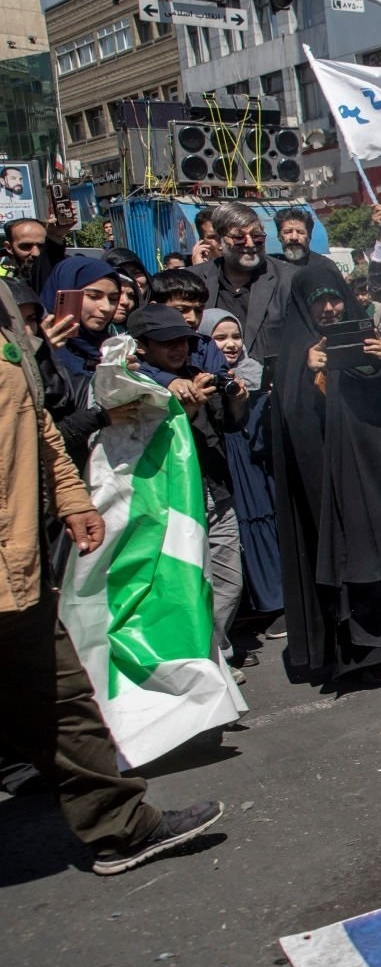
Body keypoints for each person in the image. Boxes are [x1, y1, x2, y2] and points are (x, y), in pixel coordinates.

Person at [0, 278, 226, 874]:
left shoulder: (4, 320)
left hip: (15, 565)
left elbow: (36, 420)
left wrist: (72, 498)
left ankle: (120, 826)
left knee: (62, 696)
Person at [270, 256, 381, 685]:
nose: (330, 309)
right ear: (303, 307)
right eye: (319, 303)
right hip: (339, 484)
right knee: (361, 566)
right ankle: (374, 652)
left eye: (335, 299)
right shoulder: (295, 353)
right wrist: (306, 376)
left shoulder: (369, 336)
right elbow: (292, 425)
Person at [127, 304, 250, 671]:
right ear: (142, 346)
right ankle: (202, 664)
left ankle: (214, 651)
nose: (178, 348)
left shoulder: (199, 374)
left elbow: (224, 426)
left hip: (215, 490)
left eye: (182, 339)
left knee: (230, 581)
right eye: (166, 342)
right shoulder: (133, 382)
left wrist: (235, 402)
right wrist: (179, 403)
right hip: (172, 500)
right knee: (186, 586)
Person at [202, 309, 284, 630]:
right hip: (227, 456)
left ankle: (274, 600)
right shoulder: (203, 376)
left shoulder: (254, 371)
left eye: (235, 336)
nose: (231, 344)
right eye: (220, 338)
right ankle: (246, 608)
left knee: (265, 516)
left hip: (254, 456)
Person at [194, 201, 296, 362]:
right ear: (220, 241)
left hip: (271, 383)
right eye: (239, 238)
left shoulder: (290, 279)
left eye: (257, 237)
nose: (249, 243)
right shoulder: (195, 280)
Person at [2, 217, 50, 284]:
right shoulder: (3, 280)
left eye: (41, 246)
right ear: (9, 247)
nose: (36, 253)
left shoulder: (62, 271)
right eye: (26, 246)